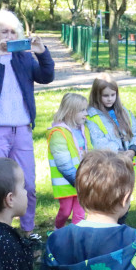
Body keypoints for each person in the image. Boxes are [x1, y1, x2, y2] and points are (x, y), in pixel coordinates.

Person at [0, 10, 54, 238]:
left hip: (22, 129)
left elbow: (47, 76)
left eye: (13, 31)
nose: (9, 35)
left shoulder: (24, 58)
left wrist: (42, 53)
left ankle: (27, 232)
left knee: (29, 186)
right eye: (4, 31)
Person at [85, 74, 136, 225]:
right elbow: (98, 141)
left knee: (124, 196)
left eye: (113, 95)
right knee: (110, 196)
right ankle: (110, 224)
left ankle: (120, 224)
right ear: (97, 95)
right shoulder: (92, 116)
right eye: (105, 96)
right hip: (108, 163)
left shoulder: (124, 112)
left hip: (127, 162)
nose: (110, 99)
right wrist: (120, 153)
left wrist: (133, 150)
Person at [47, 92, 89, 228]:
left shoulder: (84, 129)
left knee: (80, 212)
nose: (86, 113)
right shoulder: (58, 133)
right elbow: (63, 164)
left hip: (81, 179)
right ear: (70, 112)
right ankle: (57, 230)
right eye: (82, 110)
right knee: (65, 211)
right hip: (66, 182)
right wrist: (77, 181)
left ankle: (77, 238)